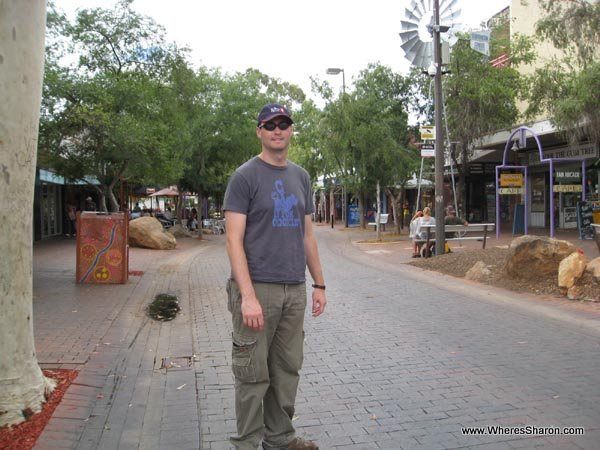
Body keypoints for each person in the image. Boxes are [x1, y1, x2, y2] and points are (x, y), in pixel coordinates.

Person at [223, 103, 326, 450]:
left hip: (294, 288)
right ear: (259, 132)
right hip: (258, 289)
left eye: (283, 124)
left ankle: (280, 439)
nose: (277, 130)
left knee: (286, 369)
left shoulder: (301, 176)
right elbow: (233, 240)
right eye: (270, 125)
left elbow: (307, 235)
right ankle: (247, 444)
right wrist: (247, 295)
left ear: (291, 130)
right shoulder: (244, 177)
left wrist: (319, 284)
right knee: (253, 374)